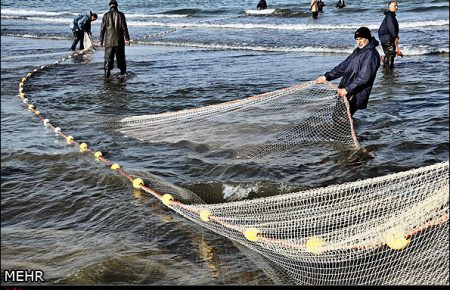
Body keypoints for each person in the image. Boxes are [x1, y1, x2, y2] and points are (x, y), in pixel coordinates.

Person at [315, 27, 380, 116]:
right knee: (339, 116)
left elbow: (365, 77)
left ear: (367, 38)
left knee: (340, 117)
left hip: (356, 94)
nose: (358, 42)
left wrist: (347, 89)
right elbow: (343, 66)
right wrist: (327, 77)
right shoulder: (358, 51)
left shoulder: (371, 54)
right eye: (356, 39)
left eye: (361, 39)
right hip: (347, 90)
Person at [99, 0, 130, 78]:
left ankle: (107, 76)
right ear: (117, 6)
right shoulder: (121, 15)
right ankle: (122, 75)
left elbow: (102, 29)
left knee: (107, 60)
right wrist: (127, 39)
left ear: (110, 6)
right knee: (121, 59)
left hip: (108, 41)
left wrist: (101, 41)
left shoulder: (105, 15)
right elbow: (124, 28)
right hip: (119, 41)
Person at [378, 1, 402, 69]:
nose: (396, 7)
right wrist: (395, 37)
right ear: (389, 7)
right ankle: (388, 70)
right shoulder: (390, 17)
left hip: (385, 38)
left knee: (389, 54)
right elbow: (391, 29)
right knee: (390, 55)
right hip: (388, 39)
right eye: (395, 6)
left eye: (397, 6)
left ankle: (386, 68)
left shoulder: (390, 16)